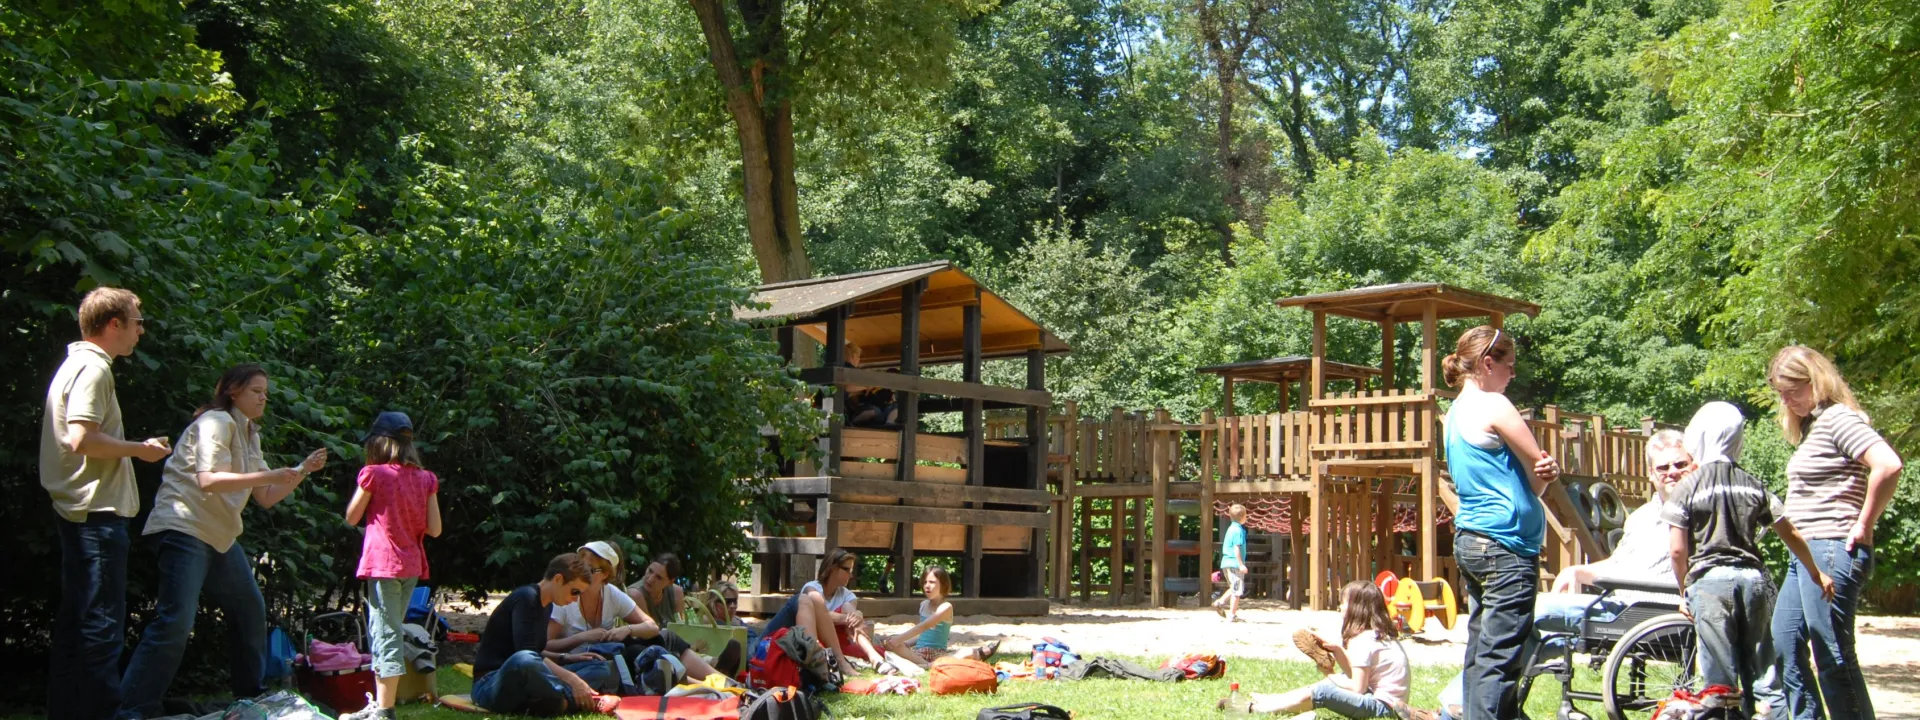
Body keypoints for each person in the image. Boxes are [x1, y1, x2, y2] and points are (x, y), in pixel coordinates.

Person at [117, 364, 328, 720]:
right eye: (256, 391)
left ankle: (250, 699)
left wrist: (302, 470)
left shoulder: (249, 433)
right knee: (176, 621)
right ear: (233, 391)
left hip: (219, 536)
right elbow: (209, 480)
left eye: (265, 392)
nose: (263, 398)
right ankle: (130, 709)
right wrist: (271, 473)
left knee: (249, 609)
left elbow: (265, 495)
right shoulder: (216, 422)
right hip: (183, 527)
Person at [40, 287, 173, 720]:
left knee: (77, 626)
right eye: (137, 321)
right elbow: (81, 438)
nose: (141, 330)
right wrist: (141, 449)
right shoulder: (93, 369)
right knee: (100, 627)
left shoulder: (74, 364)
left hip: (80, 515)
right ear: (113, 324)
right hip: (95, 517)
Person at [1666, 402, 1833, 719]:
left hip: (1709, 584)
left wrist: (1683, 591)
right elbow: (1790, 531)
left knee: (1719, 686)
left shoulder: (1687, 486)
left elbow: (1677, 550)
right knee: (1764, 674)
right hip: (1753, 581)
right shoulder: (1753, 484)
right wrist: (1816, 572)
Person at [1766, 346, 1904, 720]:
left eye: (1791, 390)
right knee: (1785, 644)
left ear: (1815, 381)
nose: (1786, 400)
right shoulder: (1815, 426)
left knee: (1832, 655)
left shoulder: (1838, 418)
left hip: (1832, 546)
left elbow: (1888, 465)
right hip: (1806, 553)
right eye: (1780, 392)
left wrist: (1864, 523)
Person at [1441, 326, 1559, 720]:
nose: (1512, 375)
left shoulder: (1453, 414)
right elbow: (1536, 477)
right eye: (1509, 366)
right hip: (1506, 545)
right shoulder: (1495, 406)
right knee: (1501, 659)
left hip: (1472, 540)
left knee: (1481, 652)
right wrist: (1549, 469)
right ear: (1487, 363)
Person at [338, 412, 442, 720]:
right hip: (411, 566)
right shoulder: (426, 479)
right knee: (391, 630)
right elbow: (435, 529)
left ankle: (384, 711)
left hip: (383, 564)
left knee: (385, 633)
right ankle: (382, 706)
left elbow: (352, 517)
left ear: (379, 443)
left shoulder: (373, 474)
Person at [546, 542, 731, 683]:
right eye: (580, 567)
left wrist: (627, 630)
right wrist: (583, 637)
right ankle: (706, 685)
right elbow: (544, 646)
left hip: (611, 658)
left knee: (665, 637)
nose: (582, 574)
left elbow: (651, 626)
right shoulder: (568, 596)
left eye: (590, 570)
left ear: (605, 574)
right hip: (584, 663)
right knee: (639, 652)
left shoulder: (611, 593)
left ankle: (722, 682)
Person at [1233, 581, 1410, 717]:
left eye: (1344, 603)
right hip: (1390, 705)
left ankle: (1255, 709)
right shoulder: (1379, 636)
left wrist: (1329, 674)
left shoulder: (1363, 640)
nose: (1341, 607)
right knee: (1333, 682)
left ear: (1357, 608)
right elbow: (1356, 678)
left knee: (1324, 690)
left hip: (1383, 709)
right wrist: (1338, 652)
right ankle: (1274, 700)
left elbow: (1358, 688)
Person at [471, 553, 618, 716]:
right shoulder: (526, 598)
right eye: (574, 591)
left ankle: (559, 702)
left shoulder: (547, 605)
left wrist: (566, 658)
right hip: (491, 683)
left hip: (526, 681)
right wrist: (573, 679)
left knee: (599, 667)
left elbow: (538, 652)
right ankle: (569, 700)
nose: (575, 600)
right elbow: (527, 655)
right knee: (524, 659)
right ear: (558, 579)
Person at [763, 548, 886, 676]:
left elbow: (852, 615)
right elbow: (820, 614)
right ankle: (863, 659)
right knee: (833, 607)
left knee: (849, 609)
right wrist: (847, 618)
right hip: (817, 639)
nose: (851, 575)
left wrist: (857, 614)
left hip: (839, 642)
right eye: (847, 569)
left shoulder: (847, 595)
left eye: (852, 570)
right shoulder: (812, 588)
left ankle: (875, 658)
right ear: (832, 568)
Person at [878, 566, 1003, 673]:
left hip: (936, 653)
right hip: (919, 653)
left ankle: (926, 666)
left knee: (965, 652)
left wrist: (899, 639)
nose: (927, 586)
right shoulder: (923, 605)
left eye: (932, 582)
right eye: (925, 582)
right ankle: (925, 665)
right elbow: (923, 634)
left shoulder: (946, 607)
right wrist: (902, 642)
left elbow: (924, 626)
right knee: (894, 644)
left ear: (943, 585)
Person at [628, 552, 688, 626]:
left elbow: (680, 627)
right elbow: (649, 631)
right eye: (650, 571)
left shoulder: (676, 592)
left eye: (658, 577)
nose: (650, 579)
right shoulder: (635, 594)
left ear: (670, 582)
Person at [1212, 504, 1249, 622]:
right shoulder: (1238, 530)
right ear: (1243, 517)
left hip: (1226, 562)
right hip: (1234, 563)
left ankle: (1220, 602)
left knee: (1234, 587)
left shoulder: (1230, 528)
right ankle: (1232, 615)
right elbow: (1236, 548)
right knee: (1237, 591)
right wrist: (1241, 564)